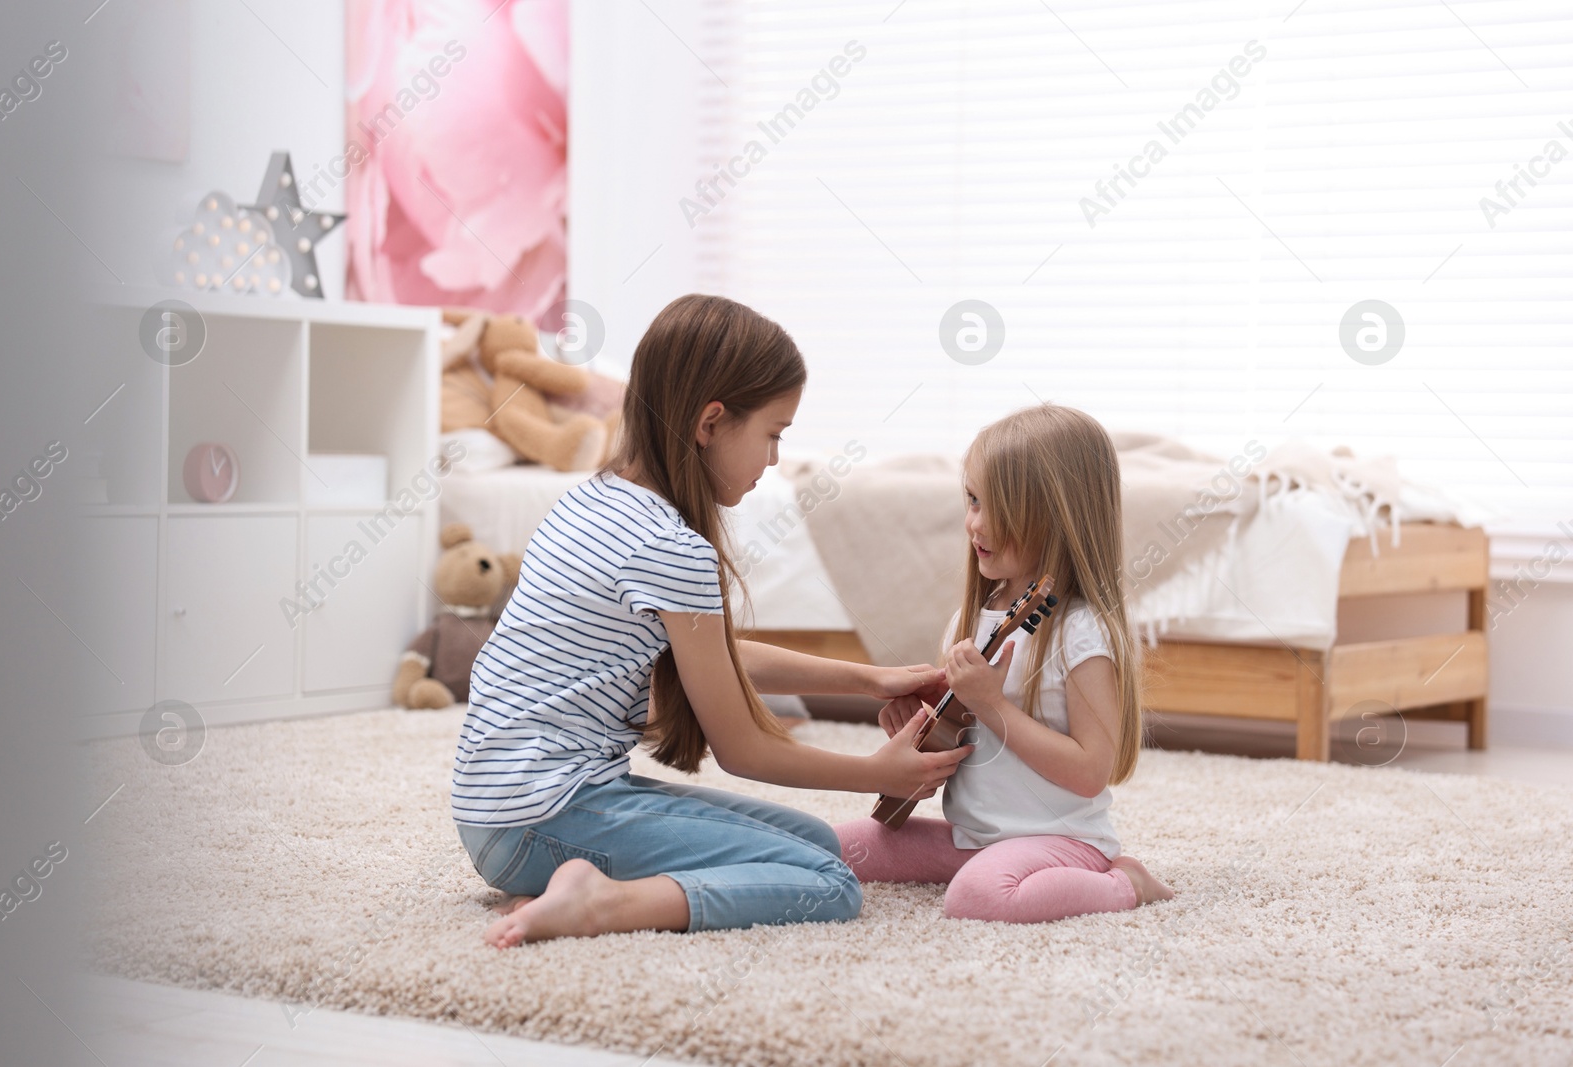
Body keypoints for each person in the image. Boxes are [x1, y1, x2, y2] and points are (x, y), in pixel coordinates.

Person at [455, 293, 971, 948]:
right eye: (773, 434)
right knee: (828, 878)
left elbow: (714, 657)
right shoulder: (673, 549)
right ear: (710, 423)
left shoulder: (591, 499)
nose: (776, 458)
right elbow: (743, 748)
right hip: (544, 814)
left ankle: (567, 878)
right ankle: (599, 903)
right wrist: (878, 772)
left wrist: (871, 680)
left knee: (810, 838)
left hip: (497, 810)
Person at [835, 404, 1173, 923]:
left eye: (1000, 508)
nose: (977, 523)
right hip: (973, 838)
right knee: (835, 847)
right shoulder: (969, 619)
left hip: (1059, 840)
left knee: (977, 899)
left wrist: (992, 705)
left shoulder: (1080, 632)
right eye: (973, 500)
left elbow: (1090, 772)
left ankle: (1126, 882)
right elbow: (962, 733)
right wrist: (922, 721)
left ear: (1061, 516)